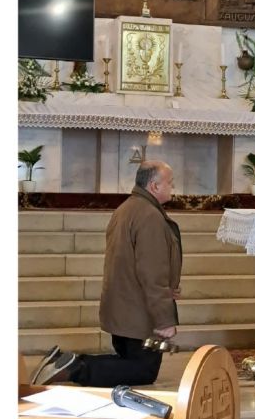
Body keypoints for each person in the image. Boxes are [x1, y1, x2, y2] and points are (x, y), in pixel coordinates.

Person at [29, 162, 182, 387]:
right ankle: (74, 367)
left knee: (131, 363)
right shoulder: (149, 216)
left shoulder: (126, 209)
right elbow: (152, 273)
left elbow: (131, 264)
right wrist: (164, 318)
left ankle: (63, 362)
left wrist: (169, 289)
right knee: (143, 370)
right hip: (139, 313)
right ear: (154, 186)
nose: (173, 186)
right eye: (170, 182)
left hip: (123, 309)